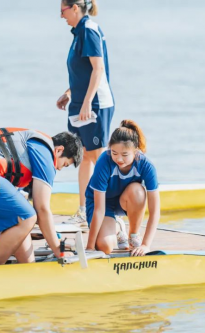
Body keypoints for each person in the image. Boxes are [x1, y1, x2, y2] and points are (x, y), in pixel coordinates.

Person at [0, 128, 83, 265]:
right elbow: (41, 208)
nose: (59, 169)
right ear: (59, 150)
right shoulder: (46, 153)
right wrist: (58, 248)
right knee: (27, 217)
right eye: (64, 164)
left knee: (20, 218)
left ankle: (28, 267)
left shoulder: (33, 144)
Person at [57, 0, 115, 227]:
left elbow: (98, 68)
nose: (60, 16)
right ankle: (84, 211)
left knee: (99, 159)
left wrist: (88, 102)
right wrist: (69, 93)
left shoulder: (89, 30)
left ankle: (109, 212)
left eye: (62, 10)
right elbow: (83, 71)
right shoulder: (78, 32)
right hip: (81, 104)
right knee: (82, 157)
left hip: (96, 105)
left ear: (74, 8)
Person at [85, 120, 161, 256]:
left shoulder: (146, 166)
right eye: (114, 153)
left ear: (136, 151)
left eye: (125, 155)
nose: (119, 159)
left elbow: (155, 212)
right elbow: (99, 209)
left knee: (138, 191)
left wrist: (145, 245)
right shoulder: (104, 161)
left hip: (126, 199)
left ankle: (133, 235)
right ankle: (118, 227)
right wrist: (90, 247)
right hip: (102, 203)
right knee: (105, 247)